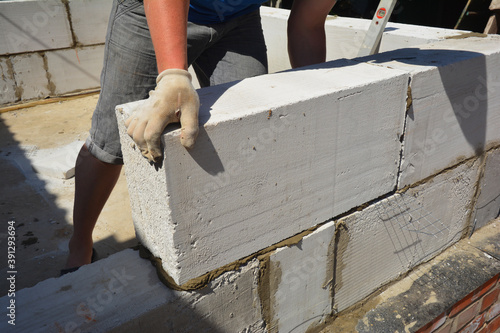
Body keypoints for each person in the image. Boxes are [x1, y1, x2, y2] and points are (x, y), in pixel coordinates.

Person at [63, 0, 337, 273]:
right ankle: (80, 246)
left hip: (238, 18)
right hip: (153, 10)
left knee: (250, 131)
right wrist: (173, 75)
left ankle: (231, 239)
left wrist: (313, 97)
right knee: (112, 142)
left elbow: (308, 23)